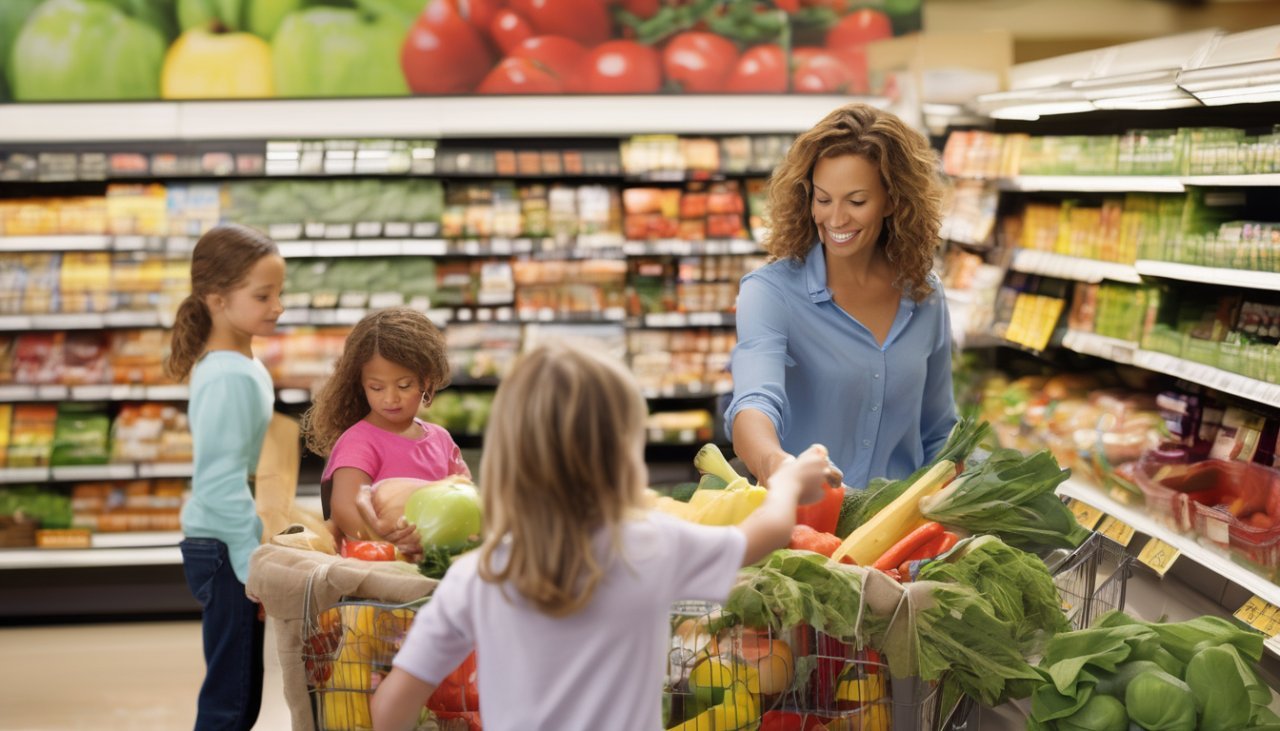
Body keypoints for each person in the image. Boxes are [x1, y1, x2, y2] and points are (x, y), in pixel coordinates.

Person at [368, 342, 833, 731]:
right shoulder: (647, 546)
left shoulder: (475, 576)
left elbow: (392, 712)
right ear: (624, 456)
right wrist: (790, 480)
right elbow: (765, 533)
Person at [725, 102, 958, 490]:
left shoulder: (925, 296)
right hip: (804, 527)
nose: (835, 219)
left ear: (893, 201)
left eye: (856, 201)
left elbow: (938, 429)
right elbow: (754, 401)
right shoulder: (770, 293)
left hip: (901, 534)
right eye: (823, 199)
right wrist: (774, 463)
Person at [166, 223, 284, 731]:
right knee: (231, 699)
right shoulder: (229, 375)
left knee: (238, 689)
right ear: (216, 299)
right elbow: (218, 481)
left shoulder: (235, 362)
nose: (277, 306)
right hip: (225, 547)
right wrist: (248, 565)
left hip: (224, 541)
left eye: (280, 292)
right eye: (263, 295)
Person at [302, 307, 471, 561]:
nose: (390, 398)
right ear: (360, 383)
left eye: (404, 385)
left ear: (426, 380)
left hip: (435, 567)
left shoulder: (441, 439)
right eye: (376, 387)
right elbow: (345, 506)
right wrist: (378, 534)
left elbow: (465, 493)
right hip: (378, 575)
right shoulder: (359, 441)